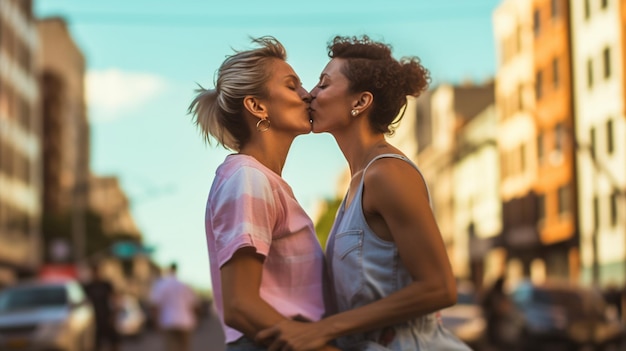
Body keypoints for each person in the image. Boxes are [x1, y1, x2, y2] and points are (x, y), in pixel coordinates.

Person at [257, 35, 470, 350]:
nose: (310, 95)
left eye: (324, 84)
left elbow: (439, 288)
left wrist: (325, 329)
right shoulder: (358, 180)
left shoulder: (388, 173)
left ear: (360, 102)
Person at [188, 36, 337, 350]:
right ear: (257, 106)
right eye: (291, 85)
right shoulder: (248, 177)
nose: (307, 94)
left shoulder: (261, 179)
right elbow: (240, 305)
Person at [149, 263, 198, 351]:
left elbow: (155, 305)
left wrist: (155, 322)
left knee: (170, 348)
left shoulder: (162, 285)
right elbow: (194, 305)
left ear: (168, 270)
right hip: (185, 322)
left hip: (168, 321)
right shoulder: (184, 285)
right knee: (184, 348)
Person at [82, 262, 120, 351]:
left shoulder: (106, 285)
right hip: (95, 320)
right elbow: (85, 301)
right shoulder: (89, 286)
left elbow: (115, 300)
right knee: (96, 344)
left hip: (107, 317)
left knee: (114, 343)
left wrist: (114, 315)